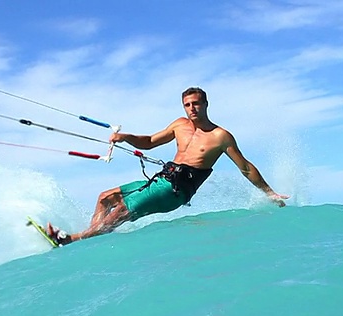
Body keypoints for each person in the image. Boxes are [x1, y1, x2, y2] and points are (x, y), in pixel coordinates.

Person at [46, 87, 289, 245]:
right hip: (161, 179)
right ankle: (91, 238)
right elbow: (150, 142)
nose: (192, 108)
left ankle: (72, 240)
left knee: (121, 211)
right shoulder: (179, 125)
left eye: (196, 104)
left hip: (176, 191)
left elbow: (245, 167)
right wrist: (126, 137)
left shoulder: (220, 136)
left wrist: (269, 193)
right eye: (187, 105)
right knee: (105, 198)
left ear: (206, 104)